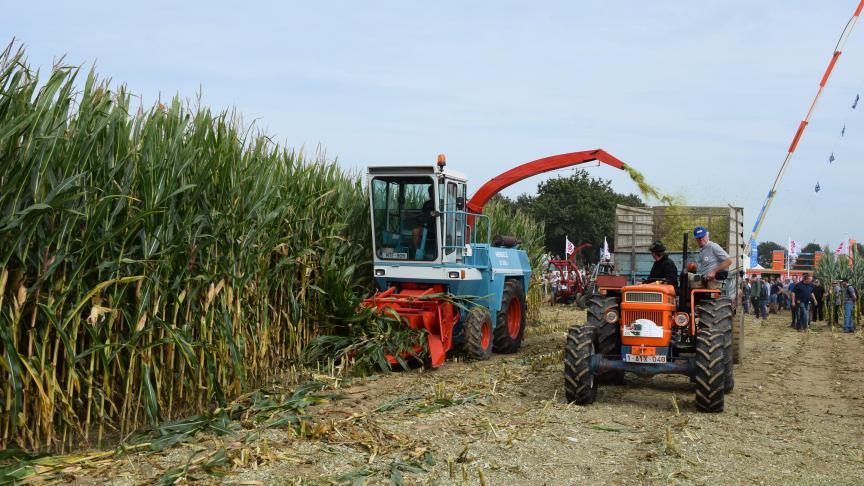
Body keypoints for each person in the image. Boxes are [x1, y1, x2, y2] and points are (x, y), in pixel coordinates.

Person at [411, 186, 437, 257]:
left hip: (437, 228)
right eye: (430, 192)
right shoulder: (426, 204)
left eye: (432, 192)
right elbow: (422, 214)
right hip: (425, 227)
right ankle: (417, 252)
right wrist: (413, 216)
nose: (431, 193)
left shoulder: (440, 203)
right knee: (415, 231)